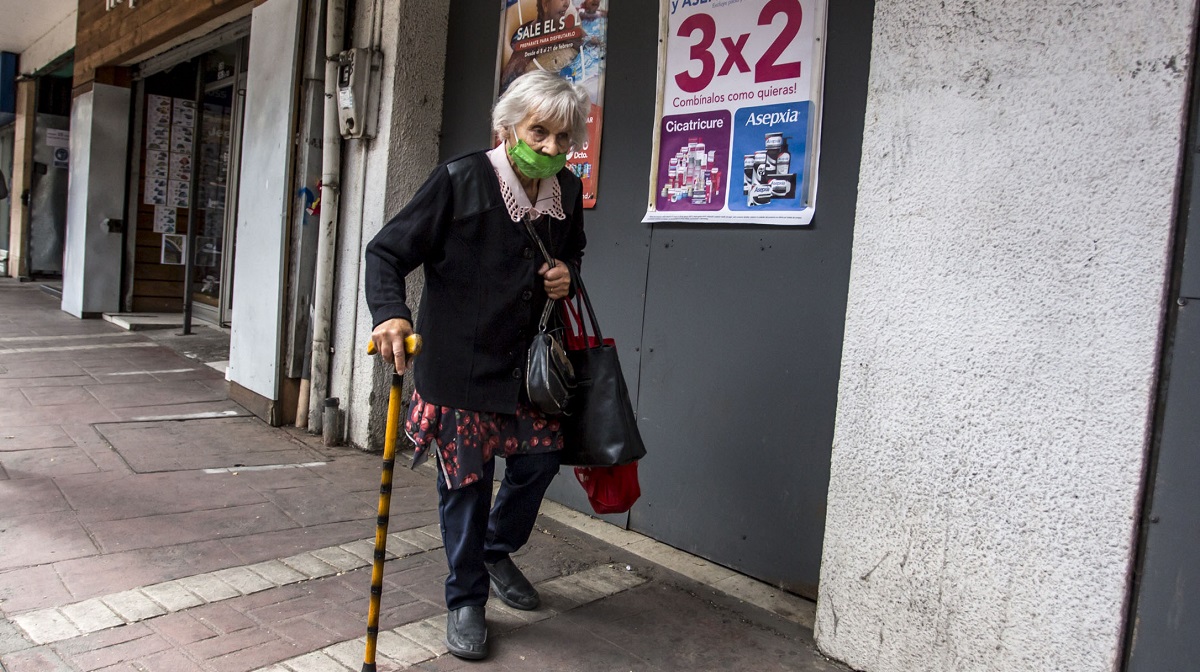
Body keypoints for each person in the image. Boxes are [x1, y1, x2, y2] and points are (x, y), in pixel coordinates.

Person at [365, 70, 589, 661]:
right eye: (539, 132)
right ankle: (465, 598)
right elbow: (387, 250)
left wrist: (566, 277)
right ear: (506, 127)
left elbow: (573, 258)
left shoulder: (566, 193)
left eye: (563, 138)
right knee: (465, 485)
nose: (550, 148)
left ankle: (495, 549)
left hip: (526, 371)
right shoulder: (460, 181)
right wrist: (390, 314)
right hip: (458, 367)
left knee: (539, 462)